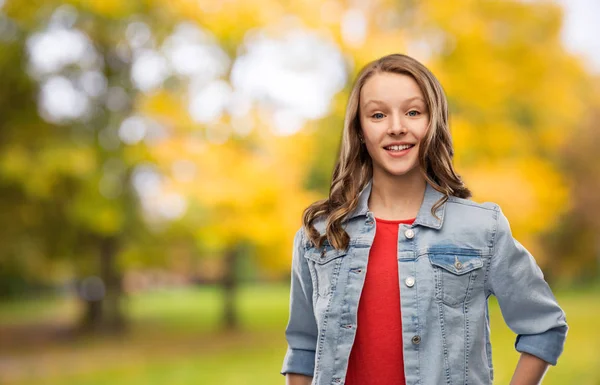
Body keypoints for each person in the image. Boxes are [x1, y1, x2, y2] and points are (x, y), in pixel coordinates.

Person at [280, 53, 568, 385]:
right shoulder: (319, 236)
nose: (397, 127)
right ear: (359, 130)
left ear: (433, 123)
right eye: (377, 115)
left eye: (413, 112)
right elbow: (303, 349)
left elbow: (544, 326)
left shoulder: (481, 229)